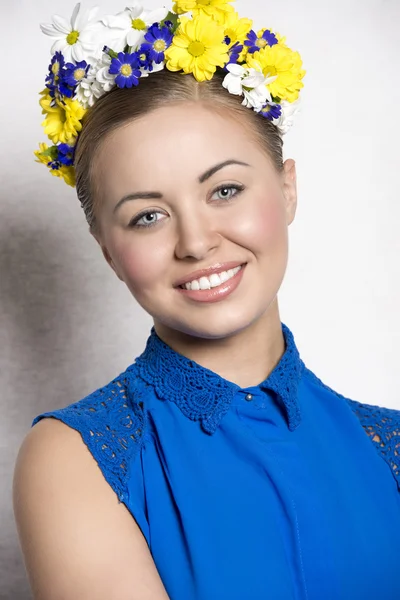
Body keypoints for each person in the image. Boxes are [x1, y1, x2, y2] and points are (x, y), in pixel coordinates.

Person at [12, 1, 400, 599]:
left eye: (225, 189)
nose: (195, 243)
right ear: (107, 250)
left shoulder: (390, 446)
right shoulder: (75, 459)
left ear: (287, 188)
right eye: (147, 216)